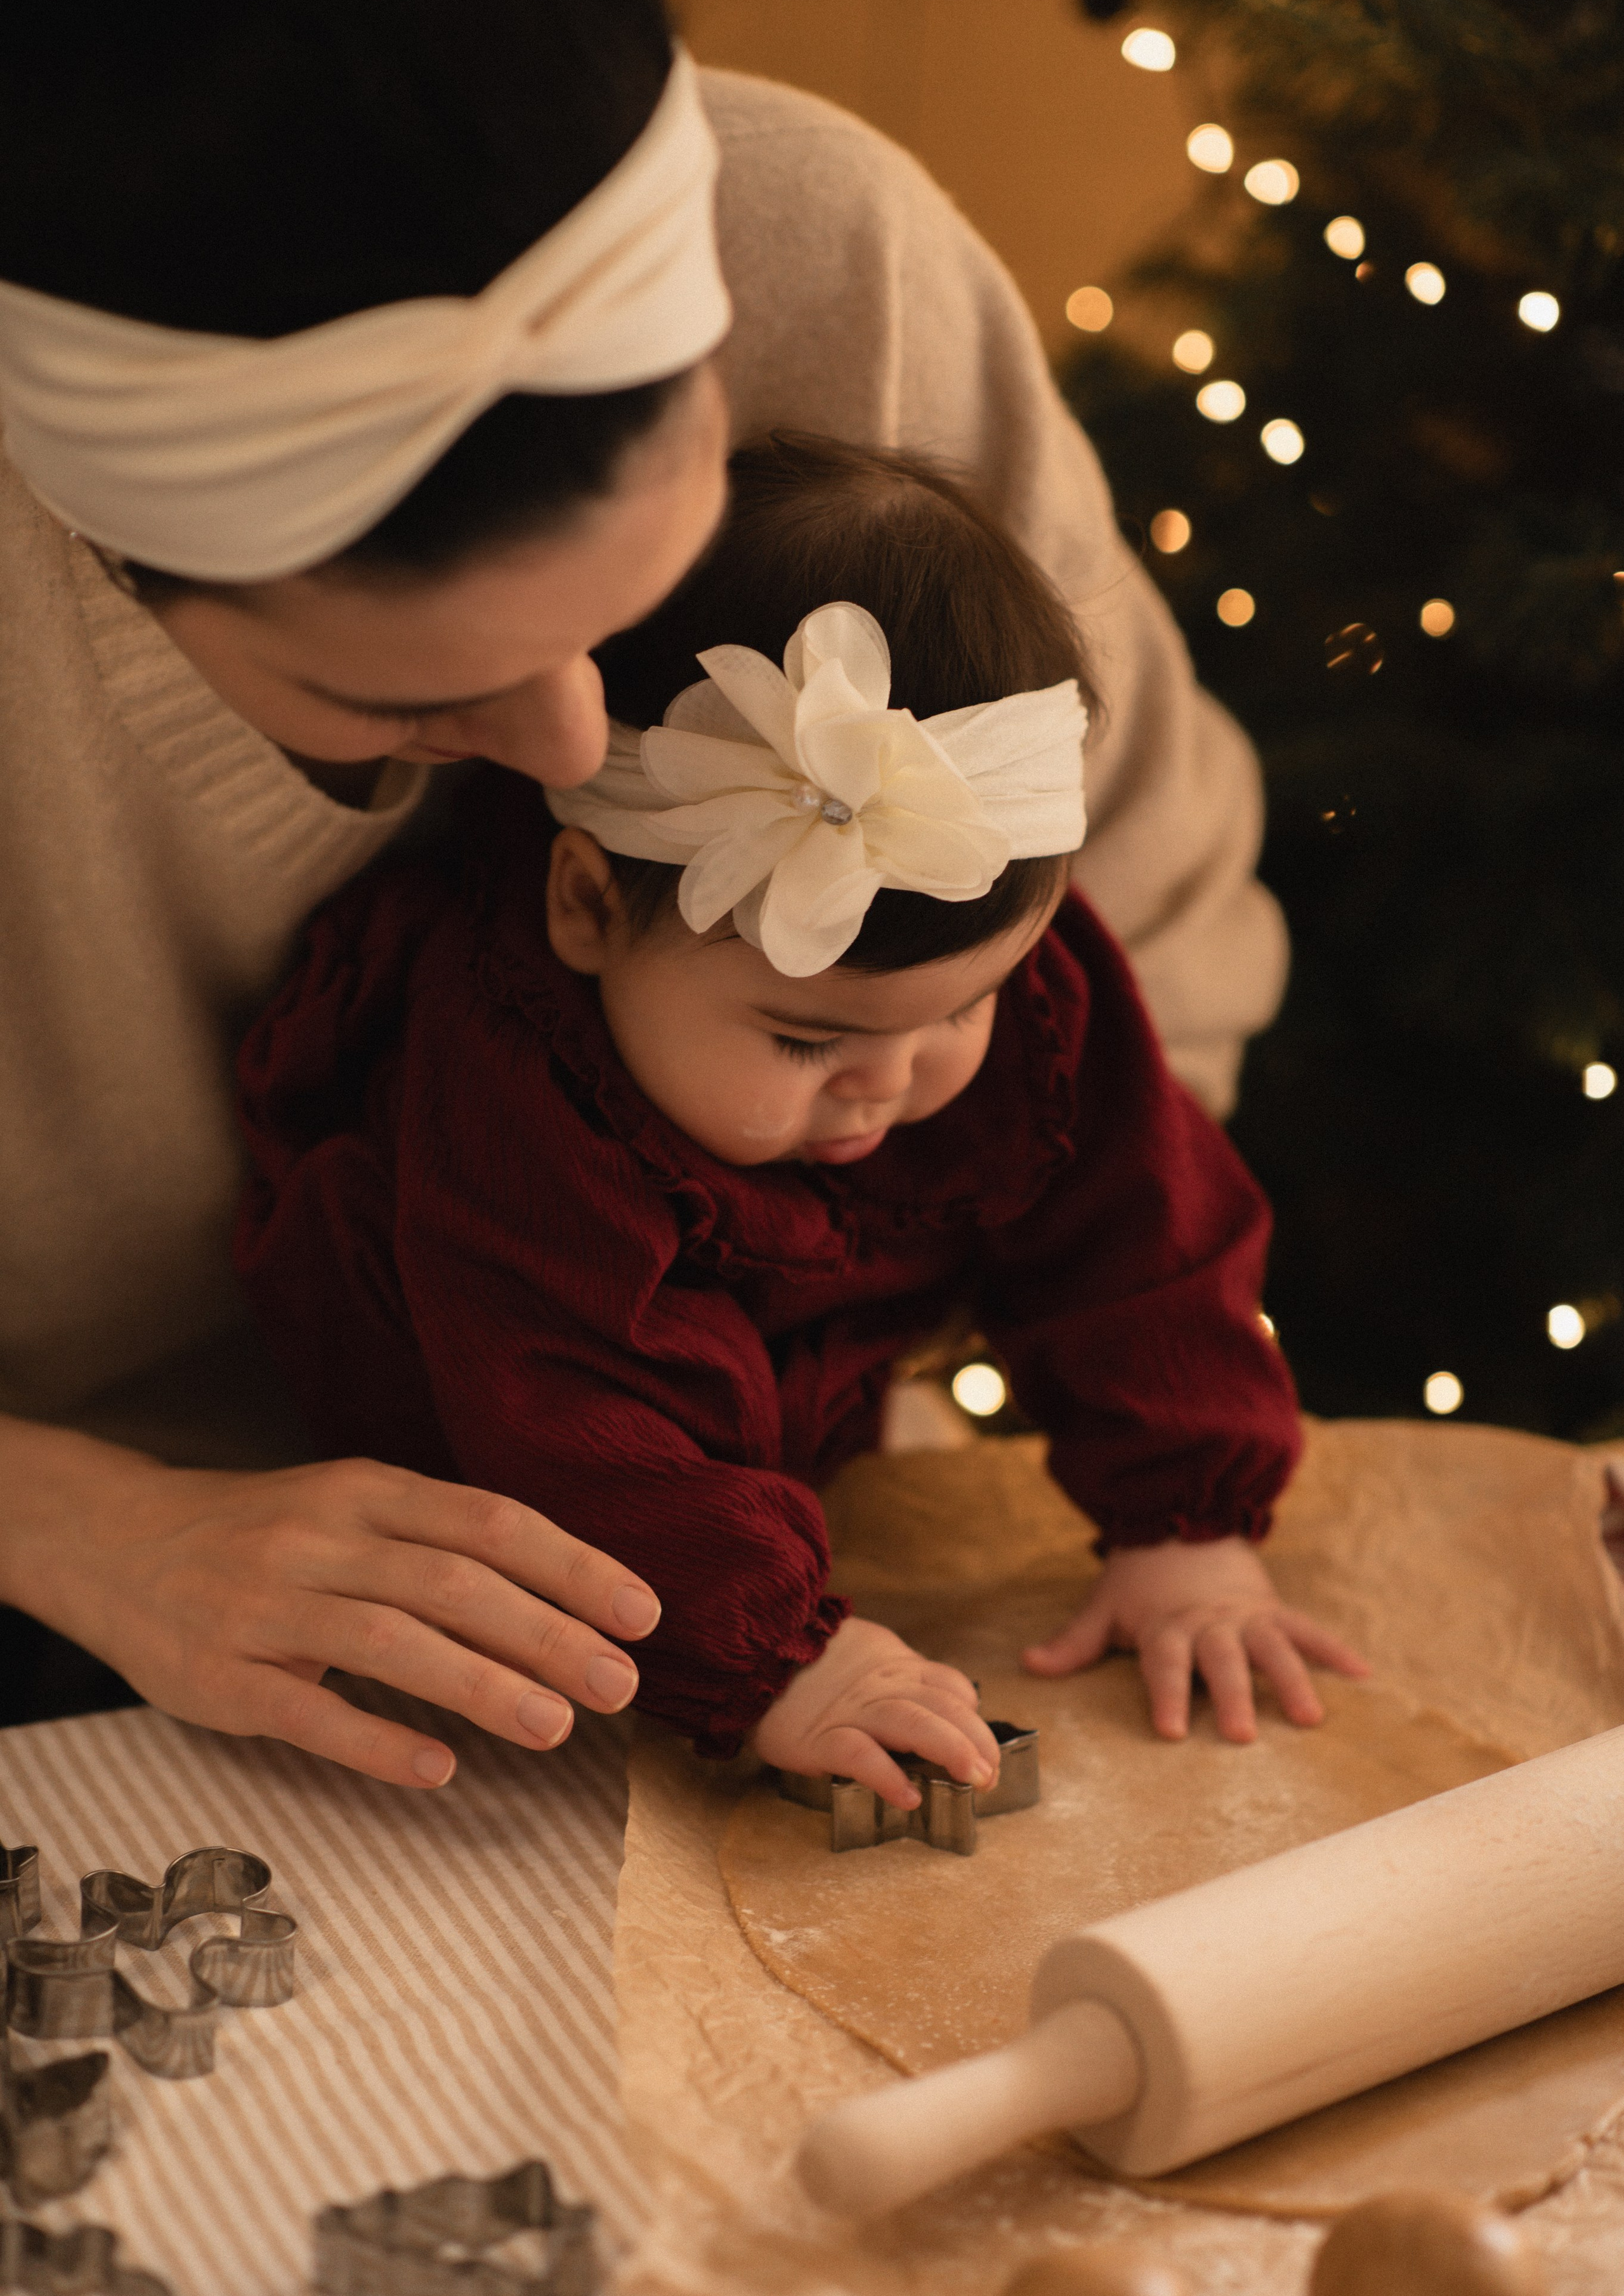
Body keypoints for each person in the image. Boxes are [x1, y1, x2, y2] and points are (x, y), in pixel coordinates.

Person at [0, 0, 1285, 1780]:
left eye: (639, 598)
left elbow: (1139, 964)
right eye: (398, 694)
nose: (563, 764)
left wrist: (1112, 1454)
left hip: (779, 1511)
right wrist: (72, 1522)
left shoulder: (823, 258)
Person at [233, 436, 1361, 1795]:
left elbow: (1144, 1231)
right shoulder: (502, 1094)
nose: (891, 1080)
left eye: (959, 1010)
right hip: (514, 1511)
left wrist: (1182, 1518)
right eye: (806, 1036)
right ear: (586, 906)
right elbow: (570, 1419)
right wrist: (772, 1652)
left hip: (797, 1449)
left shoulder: (1022, 983)